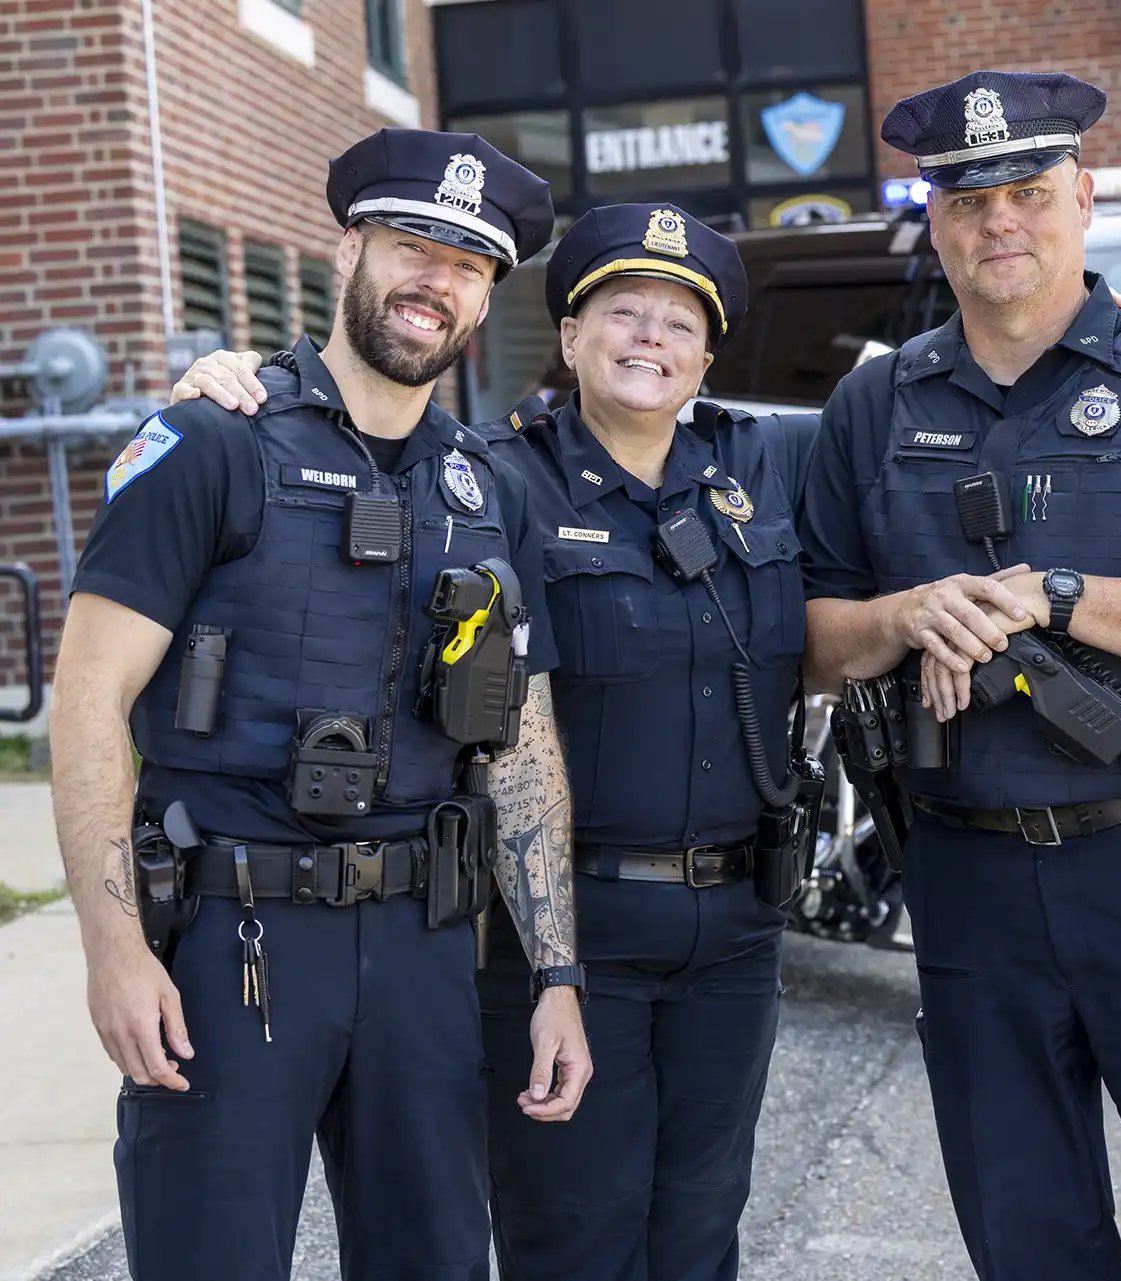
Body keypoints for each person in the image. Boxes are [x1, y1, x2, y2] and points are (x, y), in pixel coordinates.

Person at [176, 202, 818, 1281]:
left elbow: (901, 439)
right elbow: (367, 439)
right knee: (572, 1232)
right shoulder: (491, 477)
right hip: (566, 919)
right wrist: (237, 377)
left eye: (679, 323)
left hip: (735, 927)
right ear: (569, 336)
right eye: (623, 313)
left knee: (705, 1226)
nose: (649, 339)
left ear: (709, 358)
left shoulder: (764, 465)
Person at [799, 70, 1121, 1281]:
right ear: (936, 224)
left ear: (1083, 200)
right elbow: (815, 638)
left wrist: (1059, 595)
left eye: (1028, 192)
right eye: (968, 201)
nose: (1001, 223)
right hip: (965, 876)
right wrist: (906, 615)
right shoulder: (874, 405)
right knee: (1028, 1243)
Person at [54, 128, 591, 1281]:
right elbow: (89, 700)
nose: (435, 283)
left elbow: (520, 746)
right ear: (349, 249)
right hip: (230, 942)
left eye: (468, 266)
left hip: (422, 949)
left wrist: (557, 975)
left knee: (435, 1261)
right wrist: (113, 950)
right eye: (413, 247)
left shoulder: (490, 490)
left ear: (486, 297)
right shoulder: (208, 442)